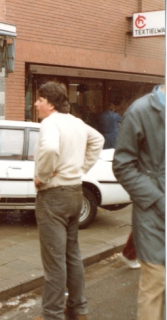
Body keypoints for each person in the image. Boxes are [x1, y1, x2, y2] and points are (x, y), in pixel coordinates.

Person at [32, 82, 104, 320]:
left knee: (54, 261)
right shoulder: (76, 122)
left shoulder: (50, 123)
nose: (36, 104)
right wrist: (80, 168)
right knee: (72, 254)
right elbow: (98, 141)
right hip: (75, 193)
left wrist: (41, 177)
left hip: (53, 197)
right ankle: (78, 308)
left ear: (50, 103)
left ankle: (52, 314)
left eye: (39, 100)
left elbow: (51, 149)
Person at [113, 84, 165, 320]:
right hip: (154, 217)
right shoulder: (141, 110)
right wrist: (157, 199)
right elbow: (122, 165)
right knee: (155, 285)